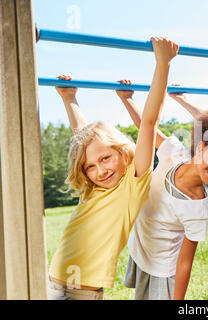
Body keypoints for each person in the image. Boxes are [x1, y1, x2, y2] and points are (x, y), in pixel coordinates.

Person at [47, 37, 178, 300]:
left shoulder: (133, 182)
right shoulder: (91, 188)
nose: (100, 170)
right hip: (51, 282)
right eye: (91, 167)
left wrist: (162, 63)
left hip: (82, 293)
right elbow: (82, 137)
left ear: (121, 150)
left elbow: (150, 122)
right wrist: (70, 99)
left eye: (106, 158)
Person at [115, 81, 208, 300]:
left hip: (163, 269)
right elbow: (147, 126)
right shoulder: (175, 153)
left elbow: (185, 262)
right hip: (142, 249)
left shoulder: (198, 207)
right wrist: (126, 98)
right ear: (201, 147)